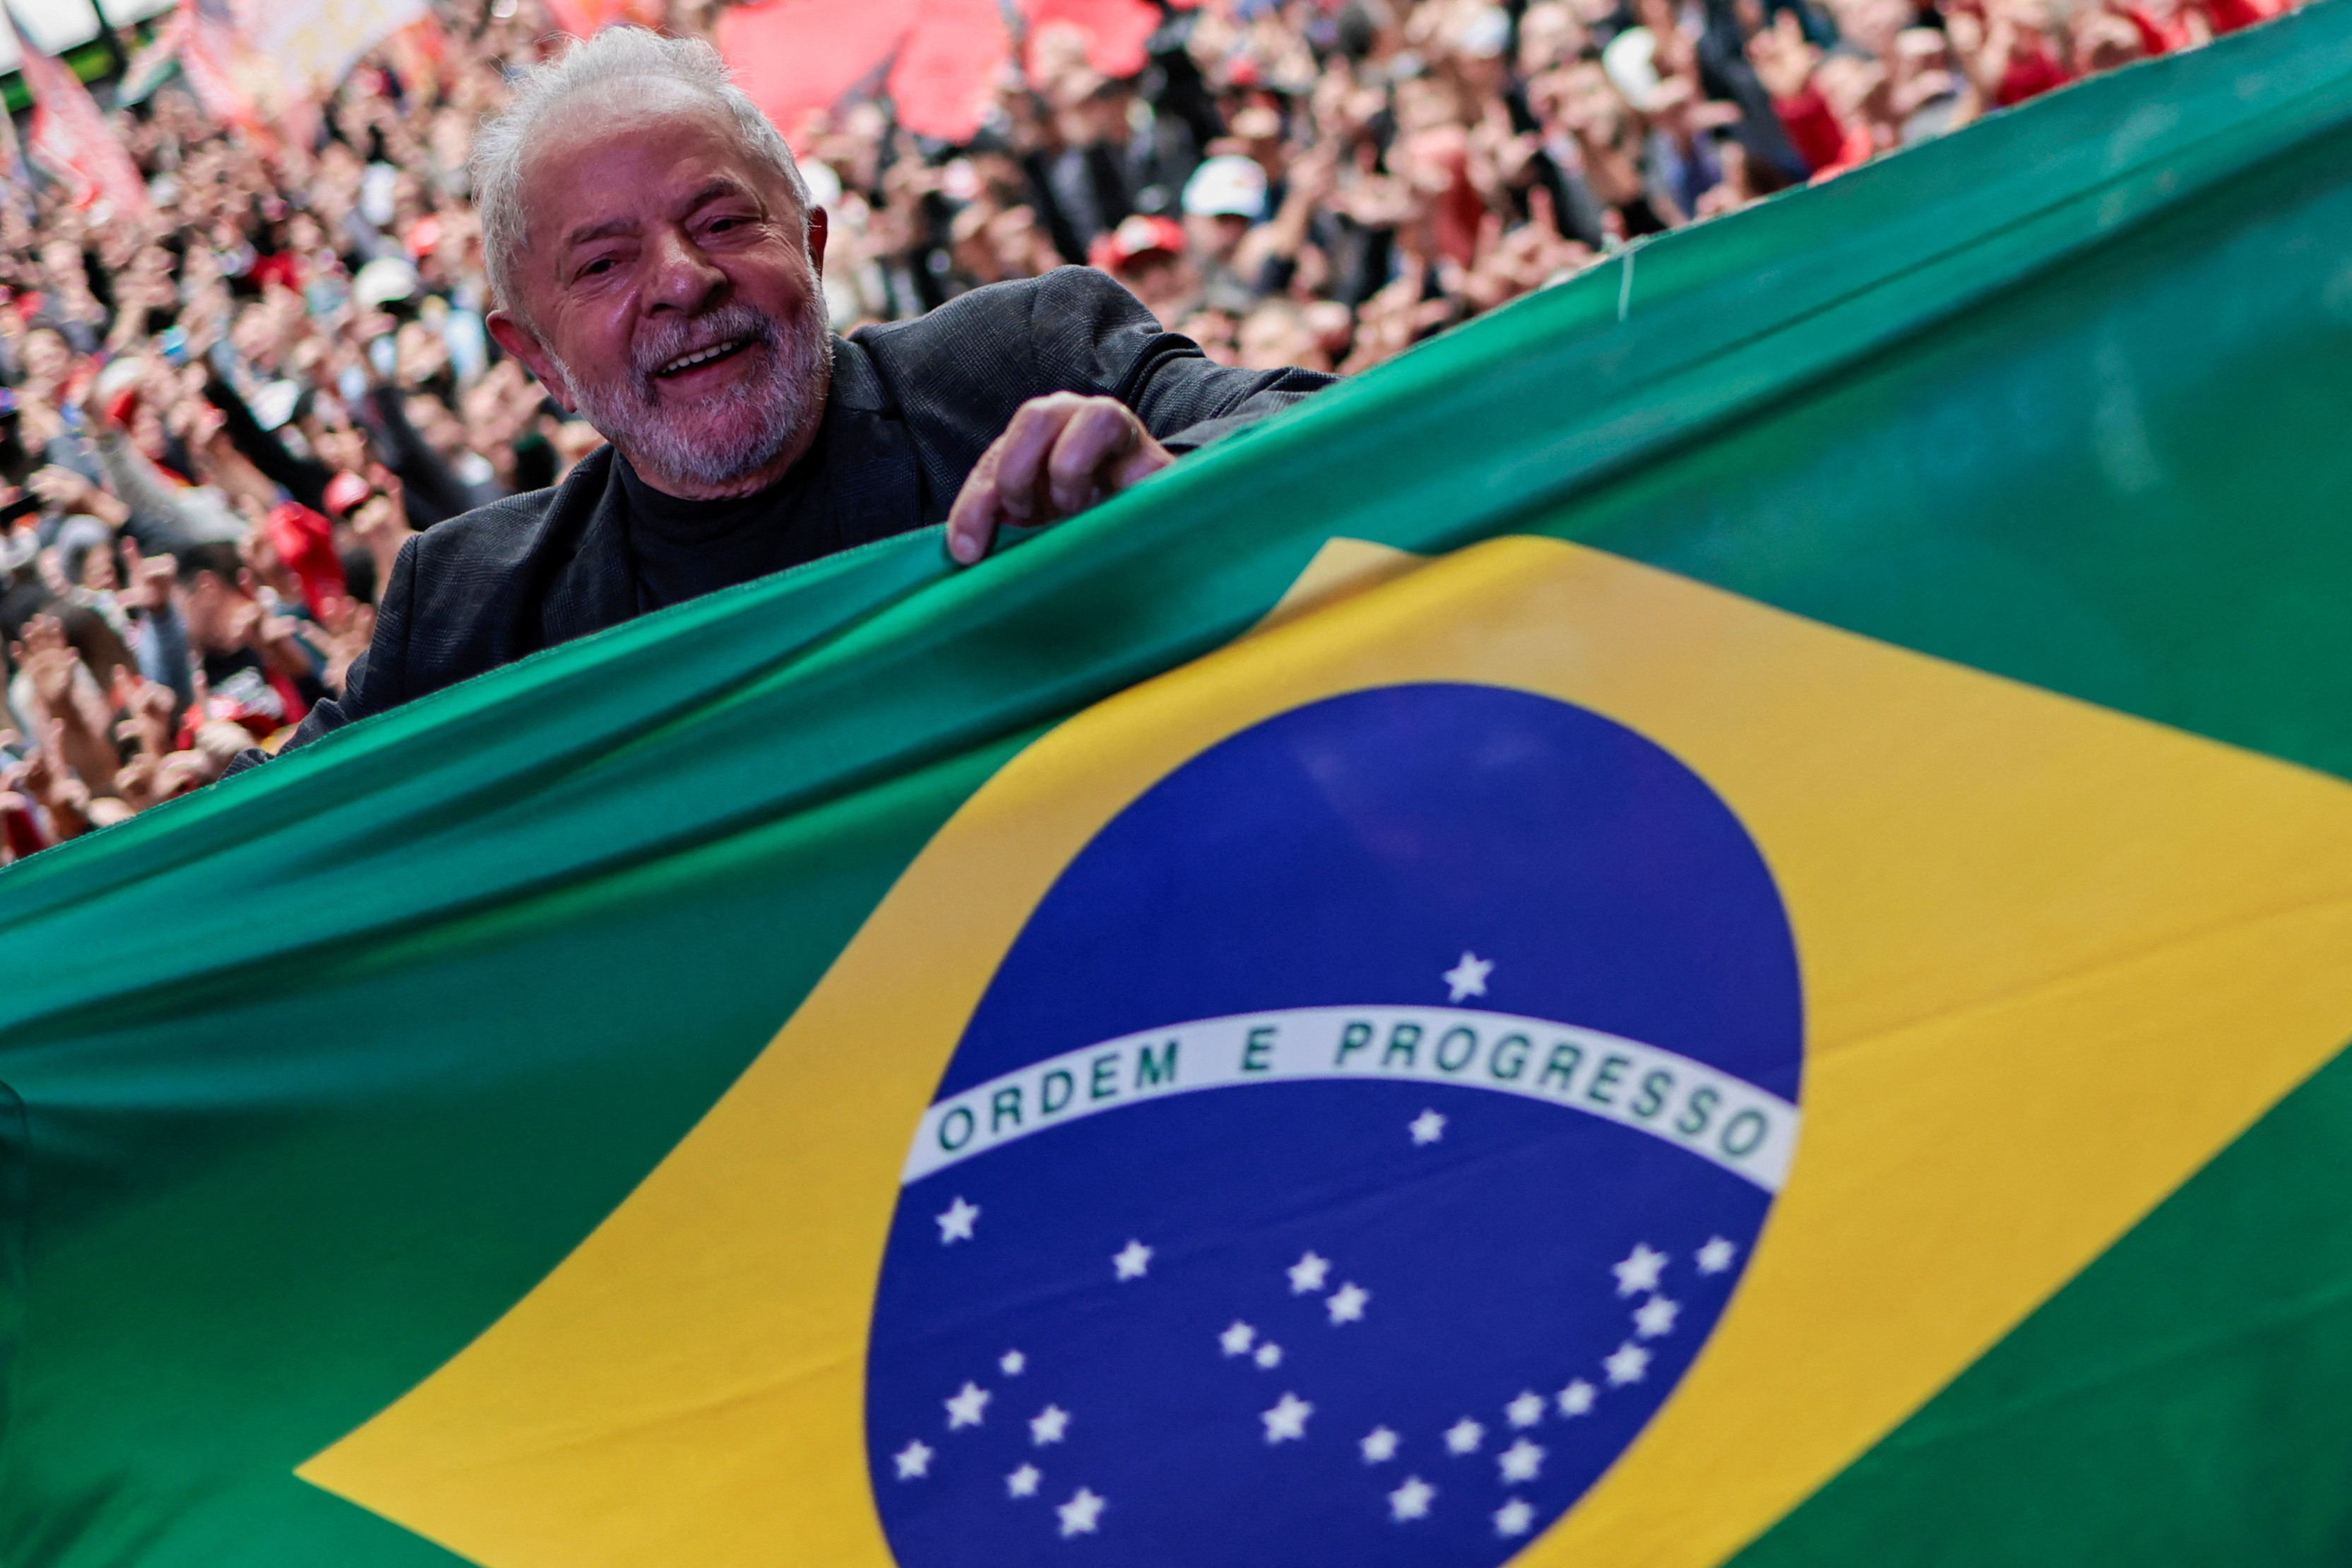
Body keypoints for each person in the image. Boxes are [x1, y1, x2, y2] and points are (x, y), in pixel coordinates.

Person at [240, 27, 1331, 768]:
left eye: (721, 222)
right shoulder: (466, 610)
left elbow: (1344, 441)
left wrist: (1171, 488)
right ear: (534, 358)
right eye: (604, 263)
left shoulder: (1028, 356)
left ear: (810, 243)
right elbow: (240, 871)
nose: (682, 280)